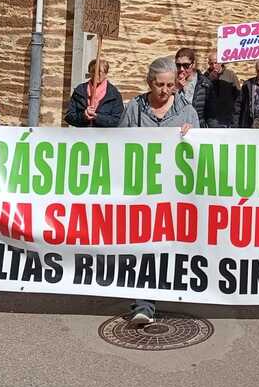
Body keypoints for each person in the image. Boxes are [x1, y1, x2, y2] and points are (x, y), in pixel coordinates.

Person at [118, 56, 199, 325]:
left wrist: (193, 137)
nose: (165, 91)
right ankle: (144, 304)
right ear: (149, 83)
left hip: (175, 194)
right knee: (144, 247)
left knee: (170, 247)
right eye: (159, 85)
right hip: (142, 191)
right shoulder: (134, 109)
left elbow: (200, 154)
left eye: (169, 86)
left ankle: (173, 289)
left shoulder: (187, 113)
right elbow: (119, 146)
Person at [64, 58, 124, 127]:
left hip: (104, 136)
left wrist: (97, 117)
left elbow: (118, 121)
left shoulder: (113, 94)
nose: (96, 74)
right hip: (83, 135)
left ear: (106, 73)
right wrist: (83, 116)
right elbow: (69, 116)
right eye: (93, 71)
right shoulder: (80, 91)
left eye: (99, 72)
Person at [203, 52, 240, 128]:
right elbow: (202, 94)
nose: (213, 66)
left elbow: (238, 95)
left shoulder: (230, 75)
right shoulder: (205, 76)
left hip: (228, 116)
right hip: (212, 117)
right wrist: (209, 80)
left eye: (216, 63)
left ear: (221, 62)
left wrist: (235, 115)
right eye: (211, 64)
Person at [174, 48, 210, 125]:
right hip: (176, 127)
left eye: (186, 65)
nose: (181, 69)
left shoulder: (205, 84)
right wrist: (176, 89)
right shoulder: (170, 82)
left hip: (197, 128)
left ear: (193, 64)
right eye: (178, 65)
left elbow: (211, 114)